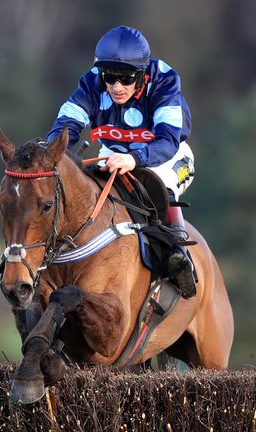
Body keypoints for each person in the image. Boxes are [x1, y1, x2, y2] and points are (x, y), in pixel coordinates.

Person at [45, 25, 197, 299]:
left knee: (155, 181)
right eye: (109, 77)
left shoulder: (164, 80)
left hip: (165, 155)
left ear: (142, 73)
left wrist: (135, 158)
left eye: (126, 79)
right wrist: (48, 154)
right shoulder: (92, 82)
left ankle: (178, 254)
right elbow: (65, 126)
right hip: (113, 151)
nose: (116, 87)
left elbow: (167, 141)